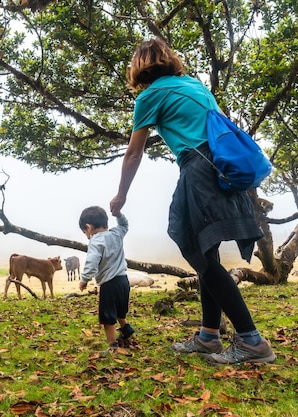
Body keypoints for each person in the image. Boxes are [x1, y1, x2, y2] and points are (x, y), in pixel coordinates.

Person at [109, 37, 276, 364]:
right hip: (222, 167)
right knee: (206, 253)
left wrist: (121, 195)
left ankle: (252, 341)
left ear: (139, 67)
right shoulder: (194, 85)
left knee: (198, 254)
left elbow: (133, 153)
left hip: (199, 168)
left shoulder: (149, 96)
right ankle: (208, 336)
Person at [78, 206, 135, 355]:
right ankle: (126, 329)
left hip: (109, 284)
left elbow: (92, 262)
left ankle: (113, 346)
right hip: (124, 281)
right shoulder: (116, 233)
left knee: (108, 317)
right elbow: (124, 225)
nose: (87, 236)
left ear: (88, 227)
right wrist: (119, 214)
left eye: (85, 233)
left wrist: (84, 279)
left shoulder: (95, 241)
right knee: (120, 311)